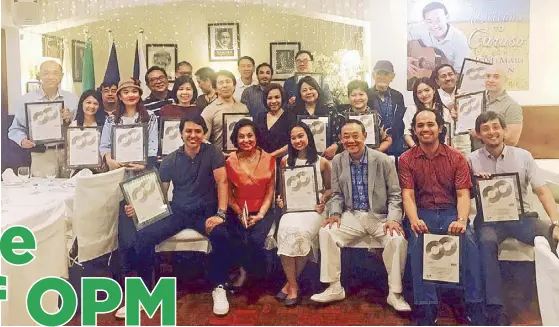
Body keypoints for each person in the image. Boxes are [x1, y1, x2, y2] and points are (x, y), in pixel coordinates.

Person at [115, 115, 234, 318]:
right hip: (178, 211)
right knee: (143, 236)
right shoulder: (170, 160)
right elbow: (158, 195)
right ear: (180, 133)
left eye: (198, 131)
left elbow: (222, 182)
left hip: (205, 213)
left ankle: (219, 286)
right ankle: (143, 294)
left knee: (221, 234)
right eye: (188, 131)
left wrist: (221, 214)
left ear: (203, 133)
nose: (193, 135)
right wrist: (139, 210)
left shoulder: (212, 153)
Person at [467, 111, 559, 325]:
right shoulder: (471, 160)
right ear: (479, 135)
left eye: (495, 127)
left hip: (522, 218)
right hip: (489, 221)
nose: (492, 132)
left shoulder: (523, 156)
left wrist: (556, 222)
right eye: (485, 129)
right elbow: (464, 194)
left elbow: (542, 191)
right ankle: (495, 309)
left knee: (552, 234)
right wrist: (474, 182)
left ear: (504, 130)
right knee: (485, 242)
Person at [310, 119, 410, 312]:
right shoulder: (339, 160)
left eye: (355, 136)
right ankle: (334, 287)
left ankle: (395, 293)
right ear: (340, 139)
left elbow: (395, 194)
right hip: (352, 215)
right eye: (346, 137)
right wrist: (336, 213)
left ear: (365, 136)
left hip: (380, 216)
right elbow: (337, 194)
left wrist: (393, 219)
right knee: (327, 232)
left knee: (397, 240)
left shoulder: (382, 160)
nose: (351, 140)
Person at [399, 110, 485, 325]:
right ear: (414, 130)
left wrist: (462, 220)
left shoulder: (456, 157)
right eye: (420, 125)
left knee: (470, 242)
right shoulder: (406, 159)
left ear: (440, 127)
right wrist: (414, 220)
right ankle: (426, 307)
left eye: (430, 124)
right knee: (418, 242)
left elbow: (462, 193)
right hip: (423, 212)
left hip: (450, 212)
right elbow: (407, 195)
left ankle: (473, 304)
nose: (425, 129)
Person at [274, 122, 332, 306]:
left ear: (308, 137)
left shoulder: (322, 161)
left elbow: (331, 189)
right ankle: (293, 285)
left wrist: (323, 198)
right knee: (285, 231)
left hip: (314, 210)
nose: (297, 140)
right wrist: (281, 200)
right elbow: (282, 191)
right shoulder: (284, 162)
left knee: (302, 234)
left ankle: (290, 286)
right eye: (293, 138)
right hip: (292, 210)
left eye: (301, 136)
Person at [225, 119, 276, 291]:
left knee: (255, 239)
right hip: (237, 210)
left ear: (256, 137)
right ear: (236, 139)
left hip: (263, 209)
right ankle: (243, 272)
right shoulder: (230, 161)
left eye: (249, 135)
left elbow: (270, 191)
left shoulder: (269, 159)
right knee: (238, 237)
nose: (246, 140)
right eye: (241, 137)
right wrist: (239, 213)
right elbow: (228, 193)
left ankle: (260, 278)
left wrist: (260, 214)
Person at [8, 58, 78, 177]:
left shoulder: (73, 99)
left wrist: (70, 120)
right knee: (43, 191)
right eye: (46, 73)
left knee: (70, 189)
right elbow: (15, 129)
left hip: (68, 153)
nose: (50, 77)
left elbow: (82, 127)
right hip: (42, 155)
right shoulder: (26, 100)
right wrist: (22, 140)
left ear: (61, 76)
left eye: (55, 73)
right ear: (39, 75)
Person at [99, 78, 159, 177]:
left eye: (134, 91)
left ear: (139, 95)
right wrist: (110, 161)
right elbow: (105, 145)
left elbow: (153, 144)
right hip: (118, 171)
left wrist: (144, 164)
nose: (131, 95)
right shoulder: (112, 119)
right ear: (120, 96)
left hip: (144, 172)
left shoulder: (150, 116)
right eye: (126, 92)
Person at [408, 1, 470, 73]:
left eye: (438, 20)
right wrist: (404, 59)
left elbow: (459, 72)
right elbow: (399, 35)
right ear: (424, 21)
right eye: (430, 21)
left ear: (447, 17)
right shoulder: (421, 28)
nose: (435, 26)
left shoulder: (460, 40)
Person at [471, 65, 523, 150]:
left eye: (496, 77)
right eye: (488, 76)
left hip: (500, 158)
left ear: (505, 80)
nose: (490, 80)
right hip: (476, 156)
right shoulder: (475, 101)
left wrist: (481, 135)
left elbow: (512, 140)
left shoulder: (512, 106)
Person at [292, 75, 344, 160]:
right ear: (300, 94)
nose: (308, 92)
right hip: (302, 158)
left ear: (317, 90)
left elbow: (342, 135)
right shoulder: (294, 112)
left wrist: (335, 146)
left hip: (328, 158)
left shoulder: (330, 110)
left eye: (311, 89)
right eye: (304, 90)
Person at [366, 60, 407, 159]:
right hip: (374, 148)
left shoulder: (398, 96)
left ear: (392, 77)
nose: (382, 77)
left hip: (396, 147)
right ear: (373, 75)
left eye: (386, 74)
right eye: (379, 73)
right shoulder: (366, 95)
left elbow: (401, 120)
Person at [201, 70, 250, 152]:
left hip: (242, 157)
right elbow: (202, 139)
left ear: (234, 85)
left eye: (228, 82)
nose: (225, 85)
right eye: (221, 83)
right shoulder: (208, 110)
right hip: (218, 158)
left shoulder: (243, 108)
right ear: (215, 88)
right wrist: (216, 152)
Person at [339, 80, 392, 153]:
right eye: (353, 95)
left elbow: (388, 140)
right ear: (348, 97)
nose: (357, 98)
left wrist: (375, 152)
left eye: (361, 94)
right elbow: (337, 142)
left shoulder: (376, 116)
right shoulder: (342, 117)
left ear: (367, 96)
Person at [432, 64, 471, 155]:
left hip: (463, 144)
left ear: (456, 76)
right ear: (437, 81)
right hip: (440, 145)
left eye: (450, 74)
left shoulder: (466, 95)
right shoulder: (433, 97)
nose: (448, 78)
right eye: (443, 76)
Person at [403, 77, 452, 148]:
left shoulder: (443, 110)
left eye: (427, 90)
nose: (423, 94)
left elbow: (448, 135)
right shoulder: (412, 109)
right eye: (419, 92)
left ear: (434, 90)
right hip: (418, 150)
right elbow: (407, 134)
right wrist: (416, 149)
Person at [255, 83, 292, 158]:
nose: (273, 101)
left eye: (277, 97)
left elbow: (291, 143)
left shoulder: (290, 117)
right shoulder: (260, 117)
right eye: (270, 98)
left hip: (283, 161)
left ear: (282, 98)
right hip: (262, 160)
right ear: (265, 100)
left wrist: (271, 156)